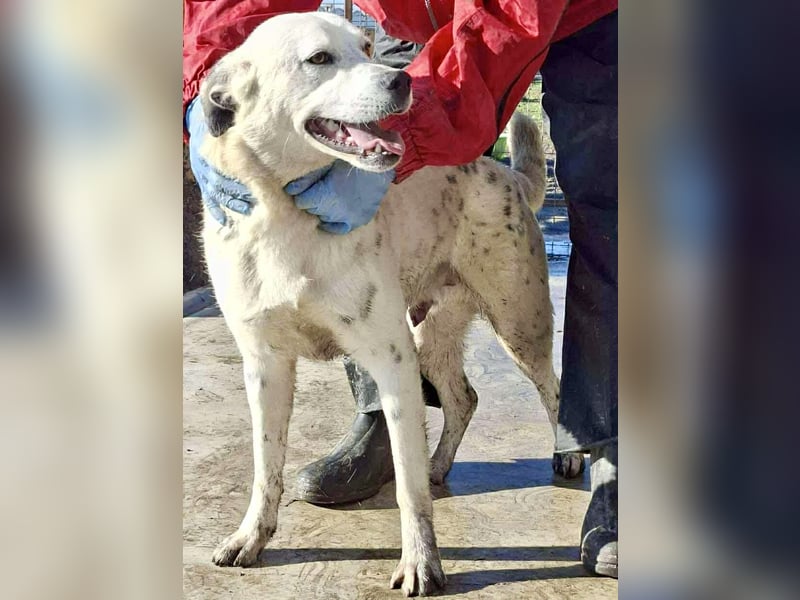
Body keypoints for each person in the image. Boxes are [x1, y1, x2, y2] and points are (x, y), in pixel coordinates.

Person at [184, 0, 618, 578]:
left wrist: (410, 134)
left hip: (581, 18)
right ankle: (371, 434)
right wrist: (205, 83)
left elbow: (511, 14)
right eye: (322, 59)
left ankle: (606, 445)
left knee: (613, 213)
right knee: (382, 89)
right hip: (411, 20)